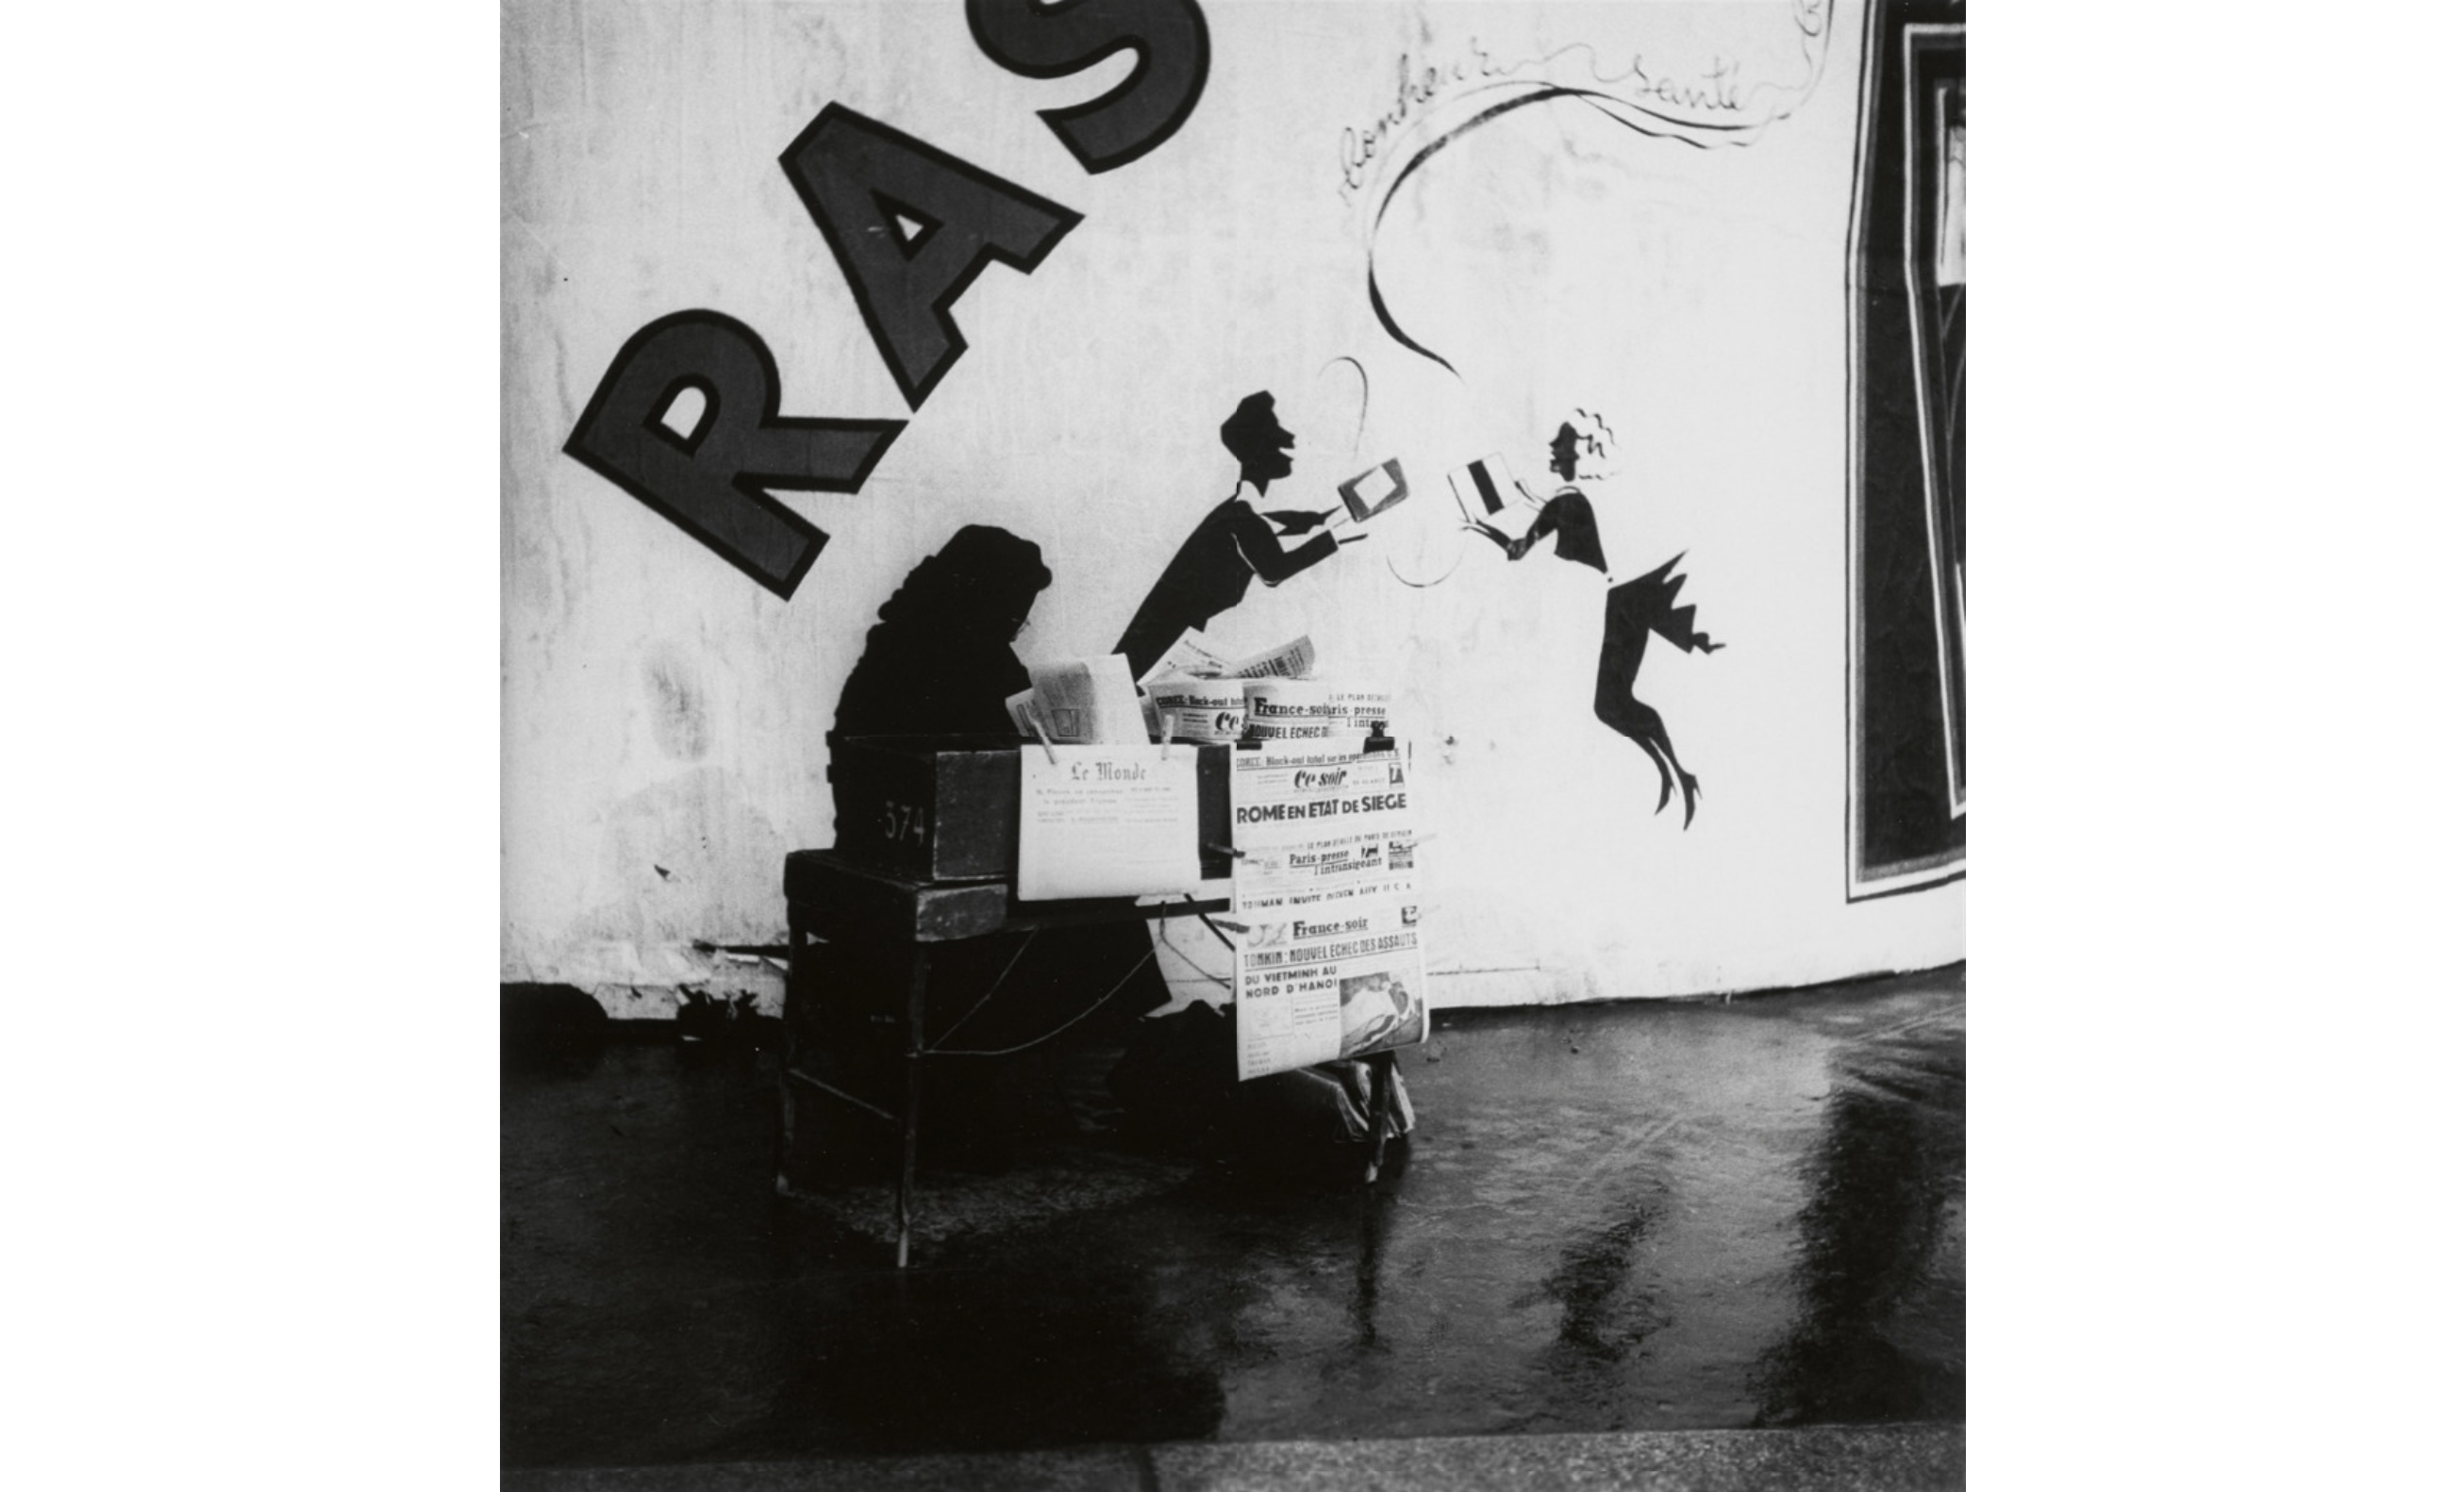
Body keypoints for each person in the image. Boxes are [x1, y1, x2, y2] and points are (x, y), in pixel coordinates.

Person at [827, 525, 1172, 1169]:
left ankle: (1070, 1073)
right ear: (977, 594)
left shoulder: (911, 643)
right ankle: (1074, 1080)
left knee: (1095, 889)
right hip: (925, 854)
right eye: (1013, 608)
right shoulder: (944, 654)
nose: (1017, 623)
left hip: (916, 845)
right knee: (1099, 900)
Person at [1472, 415, 1723, 826]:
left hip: (1609, 604)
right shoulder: (1573, 502)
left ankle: (1676, 772)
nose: (1551, 453)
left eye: (1557, 448)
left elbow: (1518, 550)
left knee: (1609, 704)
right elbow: (1547, 521)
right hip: (1618, 601)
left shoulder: (1563, 504)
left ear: (1566, 458)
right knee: (1611, 704)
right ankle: (1675, 772)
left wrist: (1483, 528)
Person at [1113, 390, 1366, 680]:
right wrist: (1338, 534)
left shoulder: (1240, 512)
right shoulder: (1240, 517)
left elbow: (1284, 524)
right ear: (1258, 450)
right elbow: (1274, 570)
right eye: (1277, 438)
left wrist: (1334, 517)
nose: (1290, 441)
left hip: (1162, 655)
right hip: (1148, 662)